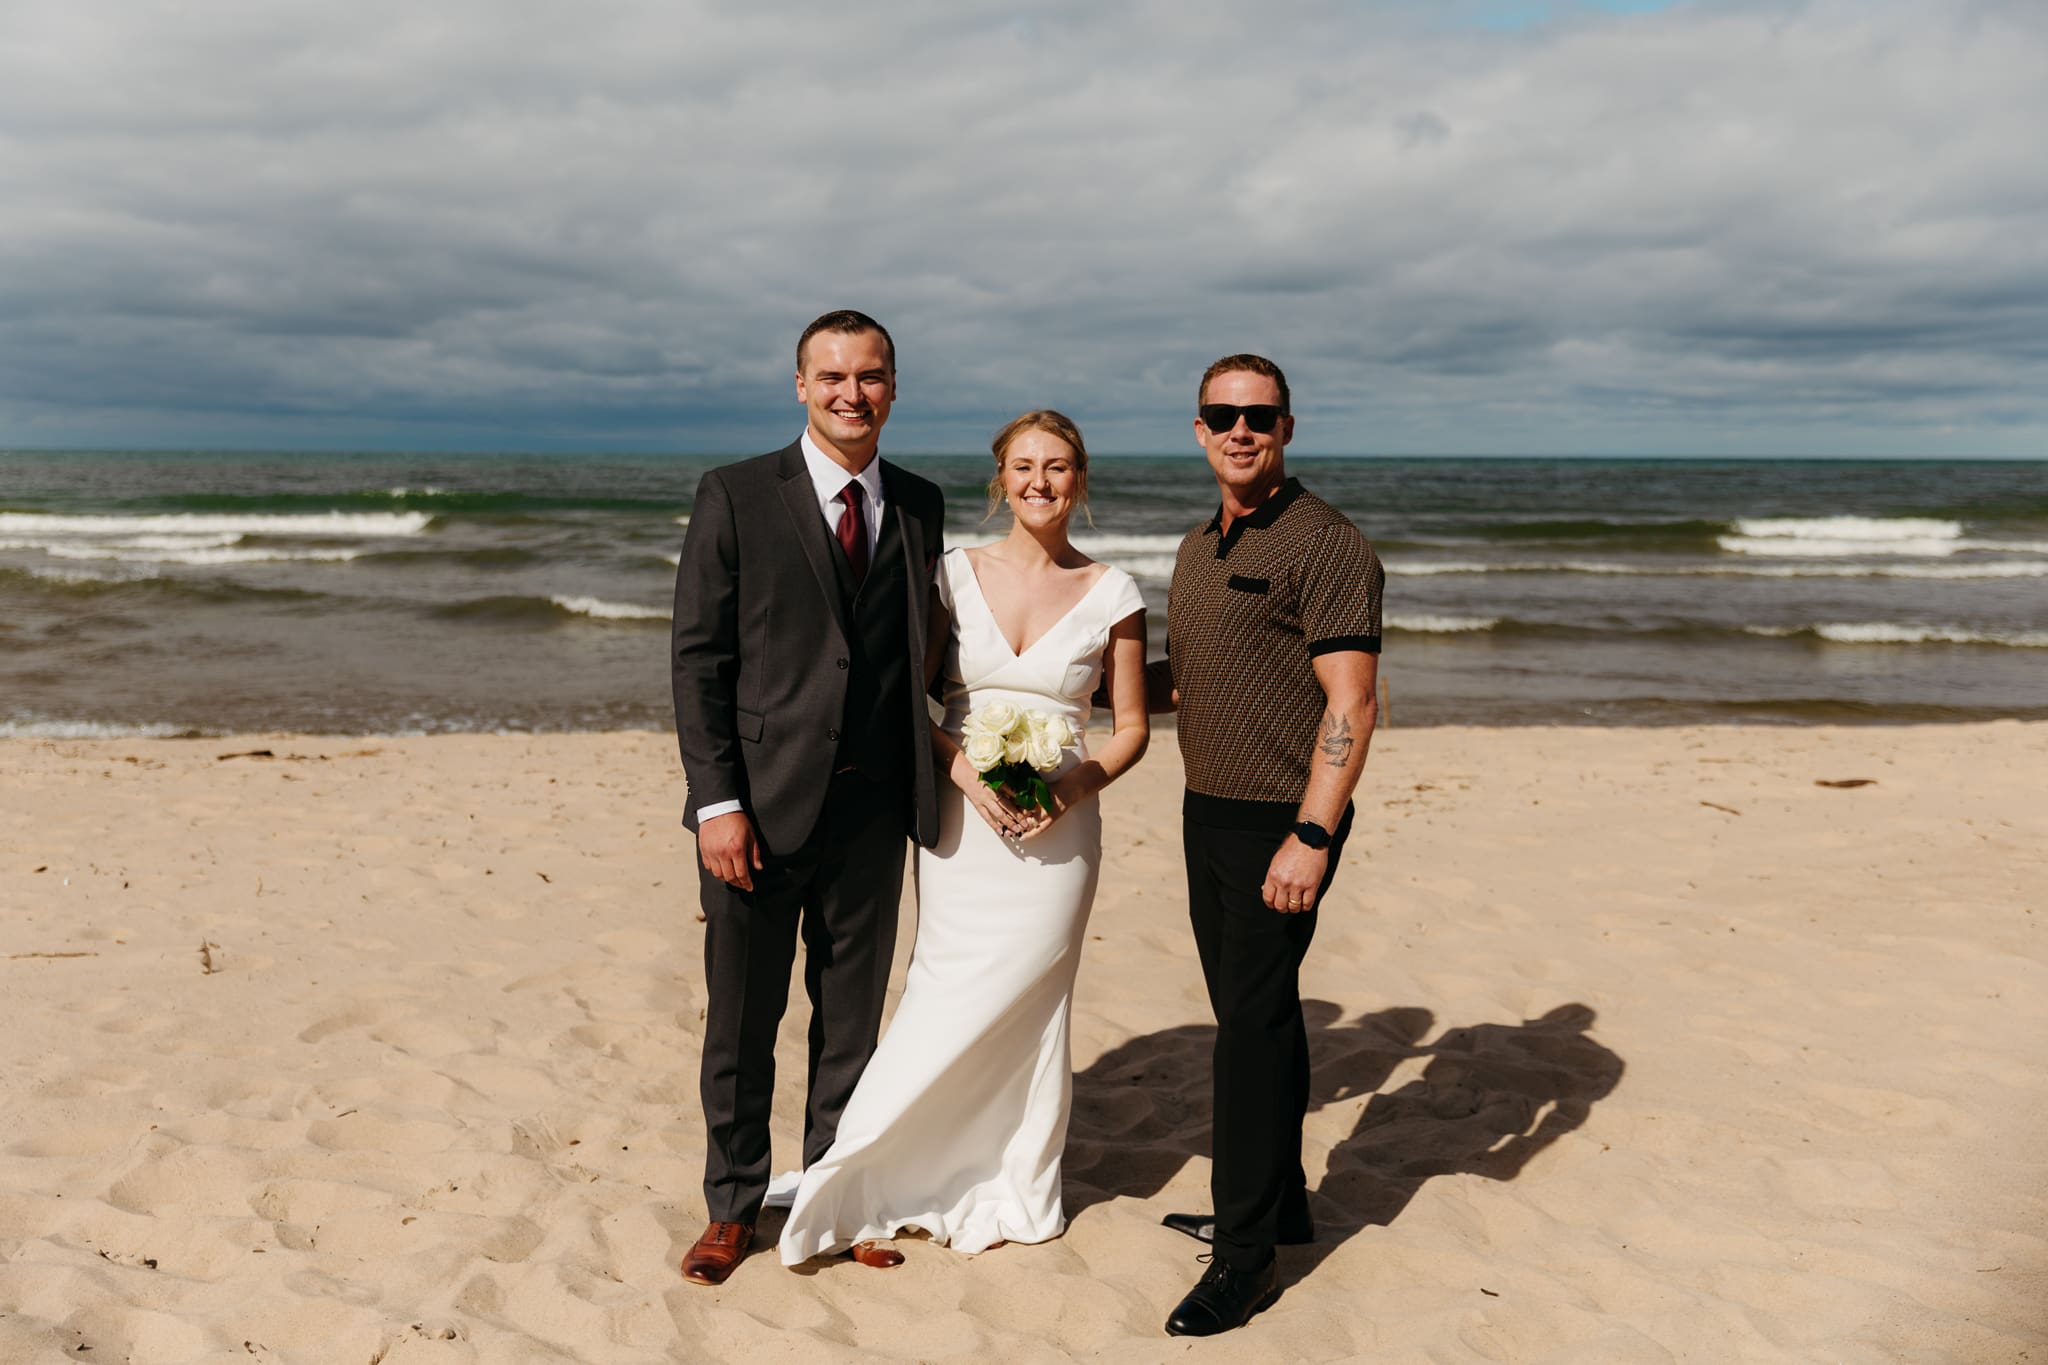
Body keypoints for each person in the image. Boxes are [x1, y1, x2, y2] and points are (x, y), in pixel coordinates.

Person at [777, 409, 1150, 1264]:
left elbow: (1130, 728)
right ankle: (871, 1167)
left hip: (1061, 836)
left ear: (1079, 478)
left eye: (1057, 467)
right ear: (1001, 478)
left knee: (1032, 1000)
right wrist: (968, 777)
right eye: (1024, 466)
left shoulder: (1117, 593)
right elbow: (911, 700)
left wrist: (1071, 786)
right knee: (946, 986)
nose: (1040, 482)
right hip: (960, 819)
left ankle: (1009, 1172)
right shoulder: (949, 573)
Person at [669, 309, 946, 1286]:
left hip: (874, 814)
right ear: (799, 385)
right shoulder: (736, 495)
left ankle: (833, 1198)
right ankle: (731, 1208)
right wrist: (715, 804)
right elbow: (698, 660)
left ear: (893, 387)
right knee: (741, 1022)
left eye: (869, 377)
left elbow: (925, 654)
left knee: (850, 1025)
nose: (850, 393)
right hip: (756, 809)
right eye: (830, 376)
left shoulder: (919, 502)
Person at [1147, 354, 1385, 1336]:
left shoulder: (1324, 544)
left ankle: (1242, 1262)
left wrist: (1311, 833)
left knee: (1243, 1038)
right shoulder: (1198, 544)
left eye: (1258, 415)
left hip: (1278, 823)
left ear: (1286, 427)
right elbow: (1193, 675)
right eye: (1221, 415)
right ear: (1197, 430)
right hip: (1206, 810)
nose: (1239, 430)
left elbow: (1352, 701)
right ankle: (1278, 1206)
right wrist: (1064, 685)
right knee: (1262, 1015)